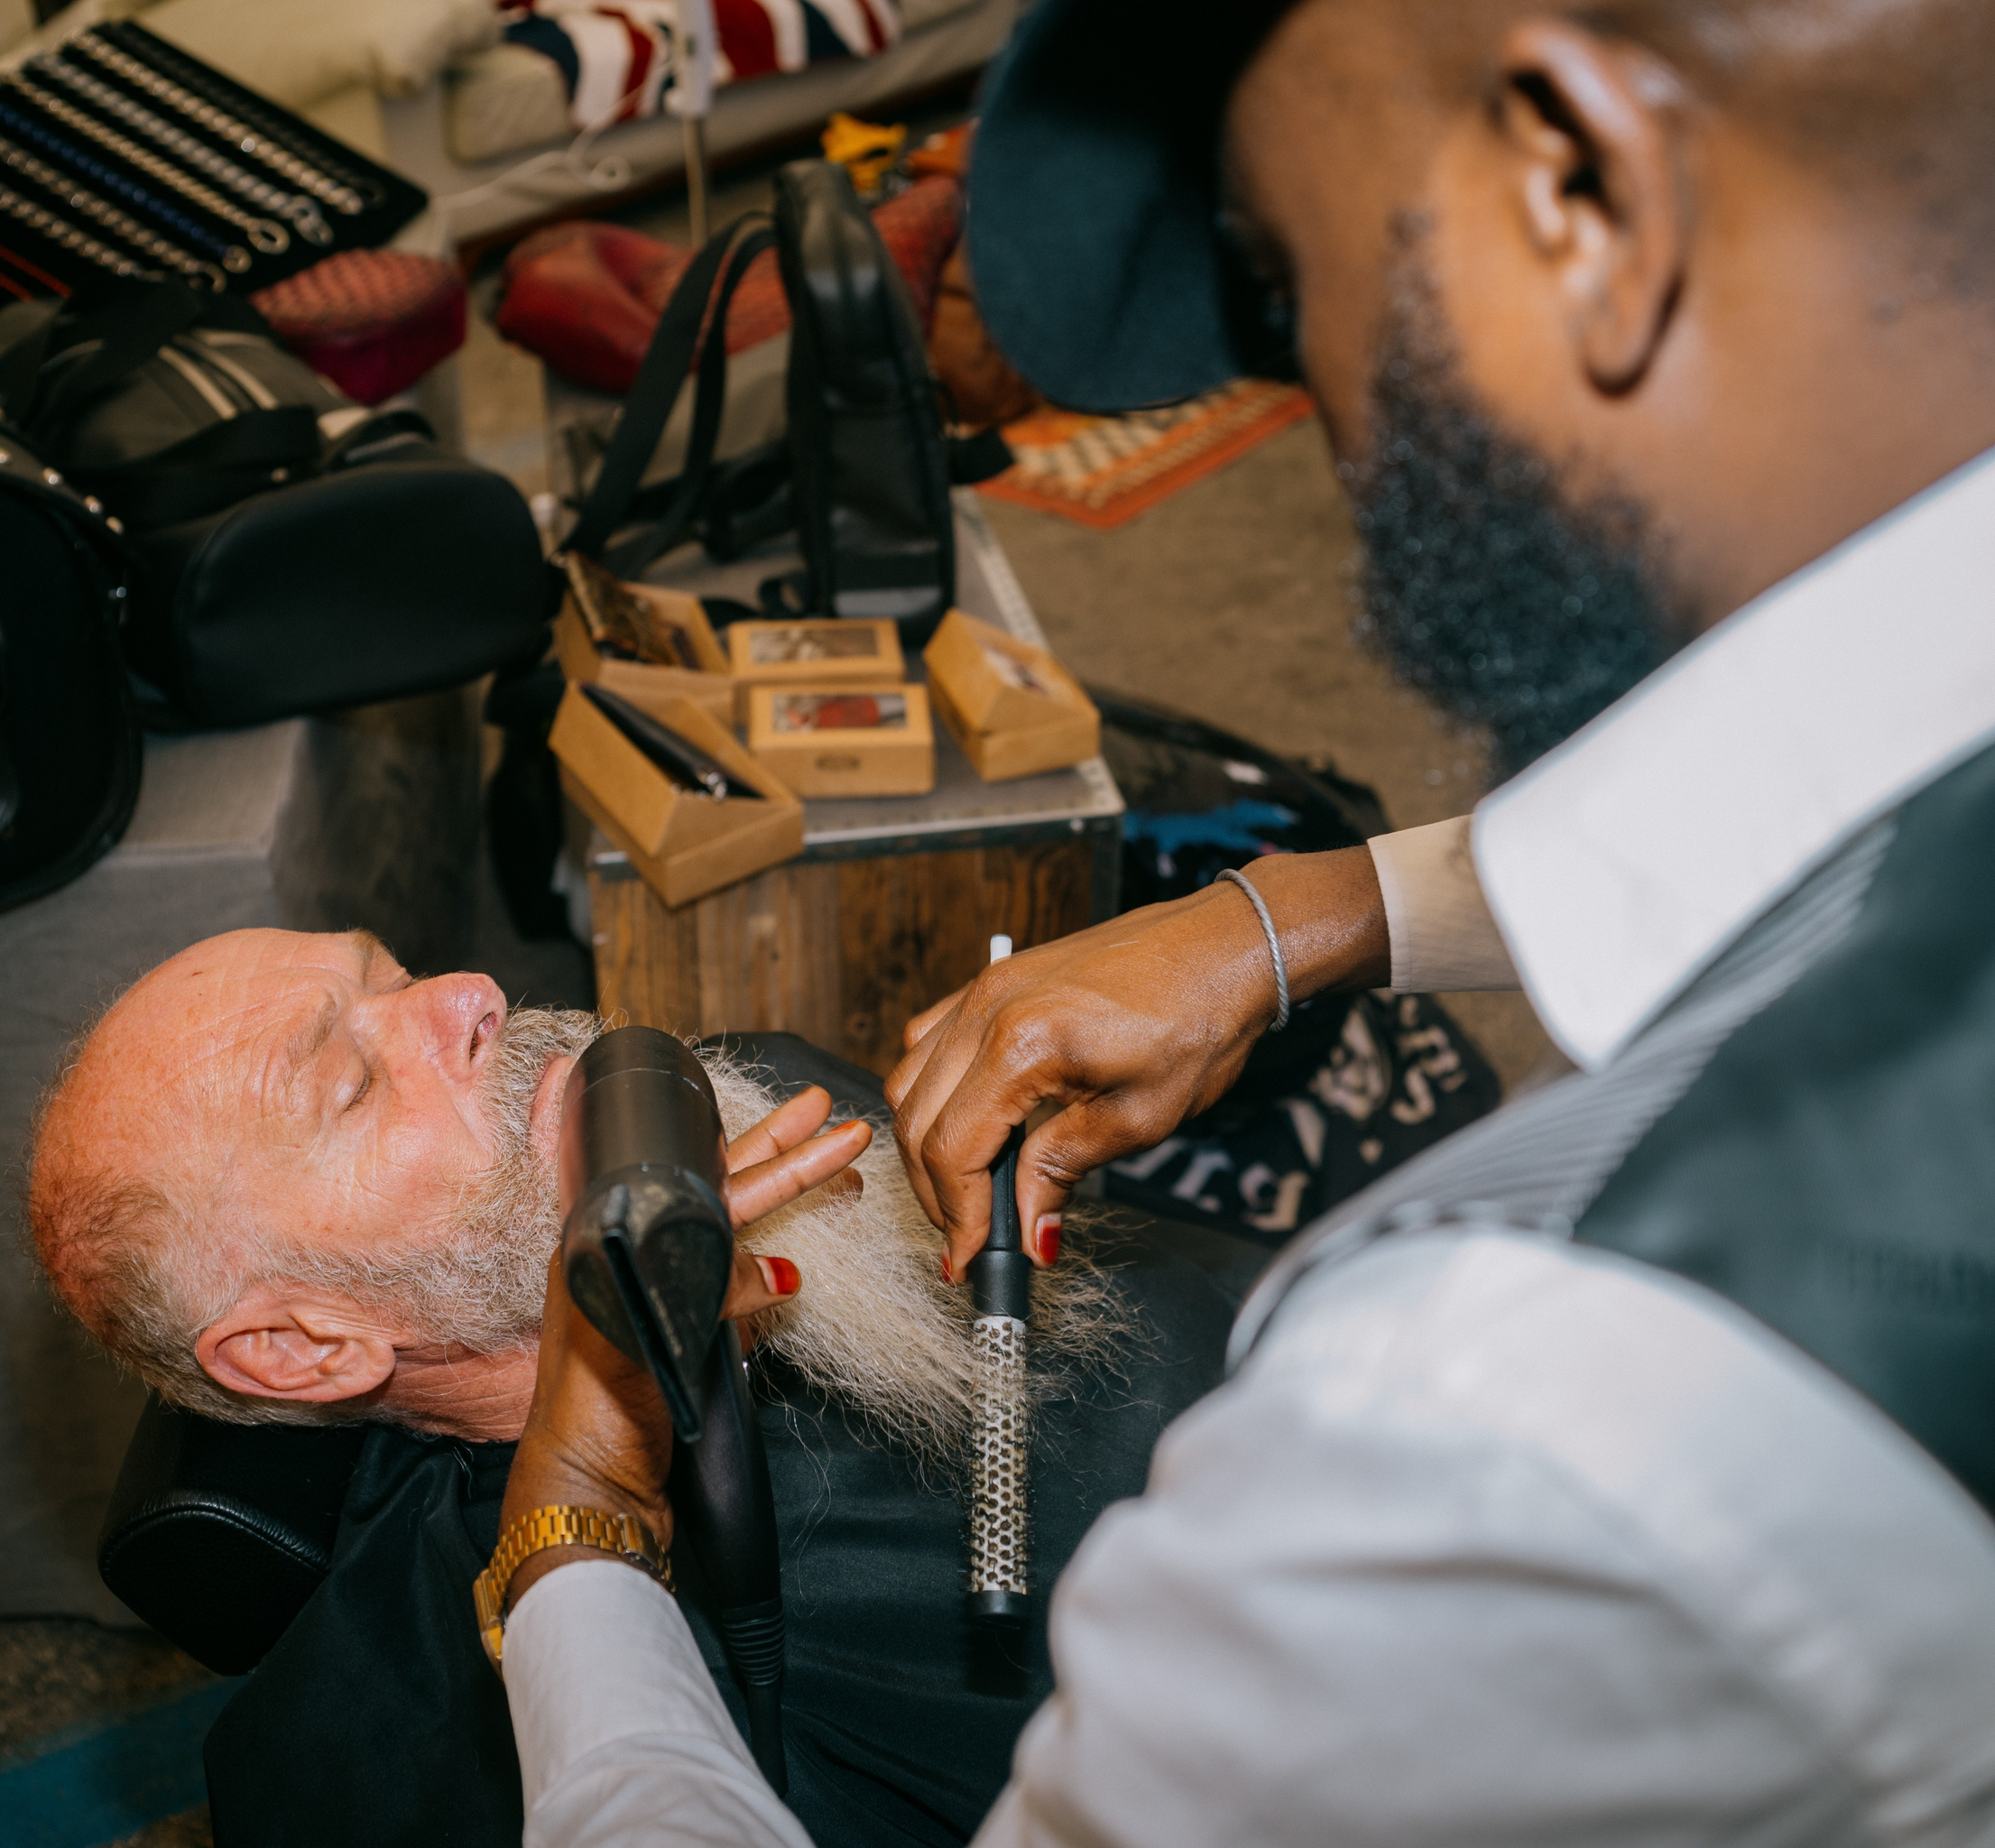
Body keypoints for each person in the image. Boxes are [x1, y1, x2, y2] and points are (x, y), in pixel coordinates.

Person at [487, 0, 1995, 1840]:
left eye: (1287, 288)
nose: (1329, 433)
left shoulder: (1492, 1431)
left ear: (1576, 193)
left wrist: (576, 1529)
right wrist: (1304, 914)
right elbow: (1848, 780)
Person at [24, 929, 1281, 1844]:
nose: (470, 994)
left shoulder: (735, 1088)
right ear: (305, 1349)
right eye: (351, 1084)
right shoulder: (435, 1761)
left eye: (394, 975)